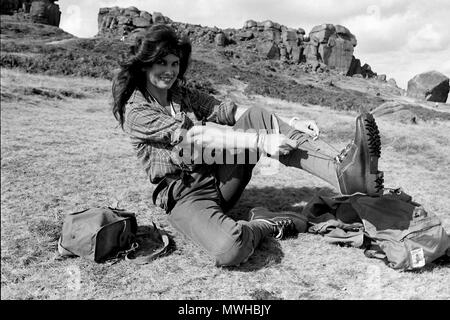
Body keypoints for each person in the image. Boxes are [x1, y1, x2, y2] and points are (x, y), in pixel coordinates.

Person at [112, 24, 384, 267]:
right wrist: (262, 141)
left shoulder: (179, 94)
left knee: (258, 114)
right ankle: (263, 223)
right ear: (145, 64)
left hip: (217, 176)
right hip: (185, 196)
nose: (170, 71)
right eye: (162, 63)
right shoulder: (135, 109)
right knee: (230, 250)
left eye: (174, 63)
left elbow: (227, 111)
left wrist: (287, 121)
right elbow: (194, 136)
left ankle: (342, 170)